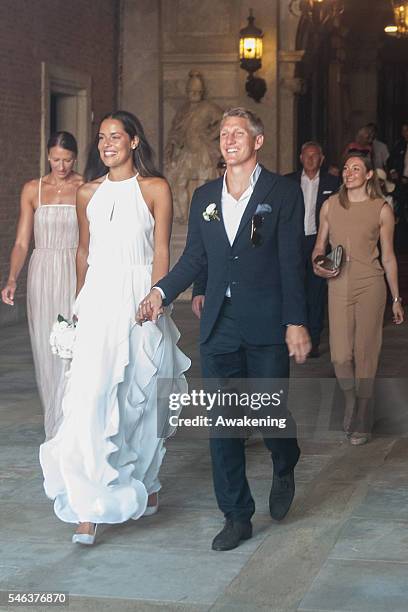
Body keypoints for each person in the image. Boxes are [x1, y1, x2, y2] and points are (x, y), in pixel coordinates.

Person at [138, 107, 311, 552]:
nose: (228, 139)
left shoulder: (284, 193)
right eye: (223, 133)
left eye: (238, 133)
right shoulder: (205, 197)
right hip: (221, 324)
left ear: (258, 141)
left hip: (268, 320)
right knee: (224, 422)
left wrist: (296, 321)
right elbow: (196, 257)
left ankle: (285, 456)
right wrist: (160, 292)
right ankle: (236, 515)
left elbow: (291, 263)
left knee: (267, 412)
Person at [39, 111, 190, 545]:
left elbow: (161, 248)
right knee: (89, 398)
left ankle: (144, 479)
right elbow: (84, 252)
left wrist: (157, 298)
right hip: (99, 299)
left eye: (116, 136)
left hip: (140, 298)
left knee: (138, 397)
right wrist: (77, 305)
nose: (107, 144)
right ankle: (89, 507)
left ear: (135, 141)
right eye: (102, 137)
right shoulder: (87, 193)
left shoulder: (155, 189)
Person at [312, 153, 404, 445]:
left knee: (366, 351)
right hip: (338, 284)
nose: (349, 172)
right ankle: (351, 399)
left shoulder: (381, 209)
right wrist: (319, 263)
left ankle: (363, 411)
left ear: (367, 176)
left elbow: (388, 257)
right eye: (347, 168)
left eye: (356, 168)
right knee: (340, 355)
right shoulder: (329, 206)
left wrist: (396, 298)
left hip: (371, 284)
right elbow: (318, 248)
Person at [1, 132, 82, 440]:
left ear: (75, 159)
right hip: (42, 271)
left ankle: (73, 422)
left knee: (73, 347)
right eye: (55, 159)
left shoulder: (84, 188)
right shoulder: (32, 190)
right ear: (48, 156)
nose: (61, 166)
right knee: (46, 347)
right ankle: (55, 427)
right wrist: (12, 279)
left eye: (67, 160)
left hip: (73, 270)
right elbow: (22, 242)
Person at [286, 142, 340, 357]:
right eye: (306, 155)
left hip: (319, 242)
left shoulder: (333, 182)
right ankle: (293, 334)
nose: (310, 159)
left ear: (322, 159)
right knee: (294, 288)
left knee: (316, 293)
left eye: (314, 156)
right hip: (293, 242)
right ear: (300, 158)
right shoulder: (288, 181)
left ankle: (314, 340)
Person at [165, 70, 223, 223]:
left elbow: (224, 120)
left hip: (203, 151)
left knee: (202, 187)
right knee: (180, 183)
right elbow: (175, 131)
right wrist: (171, 148)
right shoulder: (183, 110)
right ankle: (185, 216)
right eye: (192, 91)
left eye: (197, 91)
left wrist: (211, 136)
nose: (194, 94)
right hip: (187, 152)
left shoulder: (209, 107)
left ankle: (200, 217)